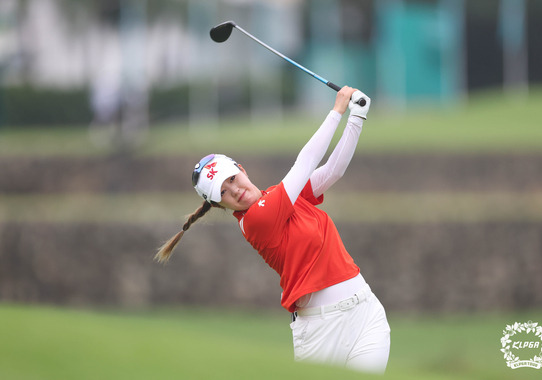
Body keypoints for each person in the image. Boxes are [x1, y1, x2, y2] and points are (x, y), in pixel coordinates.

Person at [156, 86, 391, 374]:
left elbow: (333, 171)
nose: (236, 190)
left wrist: (357, 116)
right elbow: (305, 163)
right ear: (218, 204)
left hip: (365, 312)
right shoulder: (256, 220)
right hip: (321, 331)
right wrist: (337, 110)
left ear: (241, 168)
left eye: (232, 178)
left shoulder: (282, 197)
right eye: (224, 192)